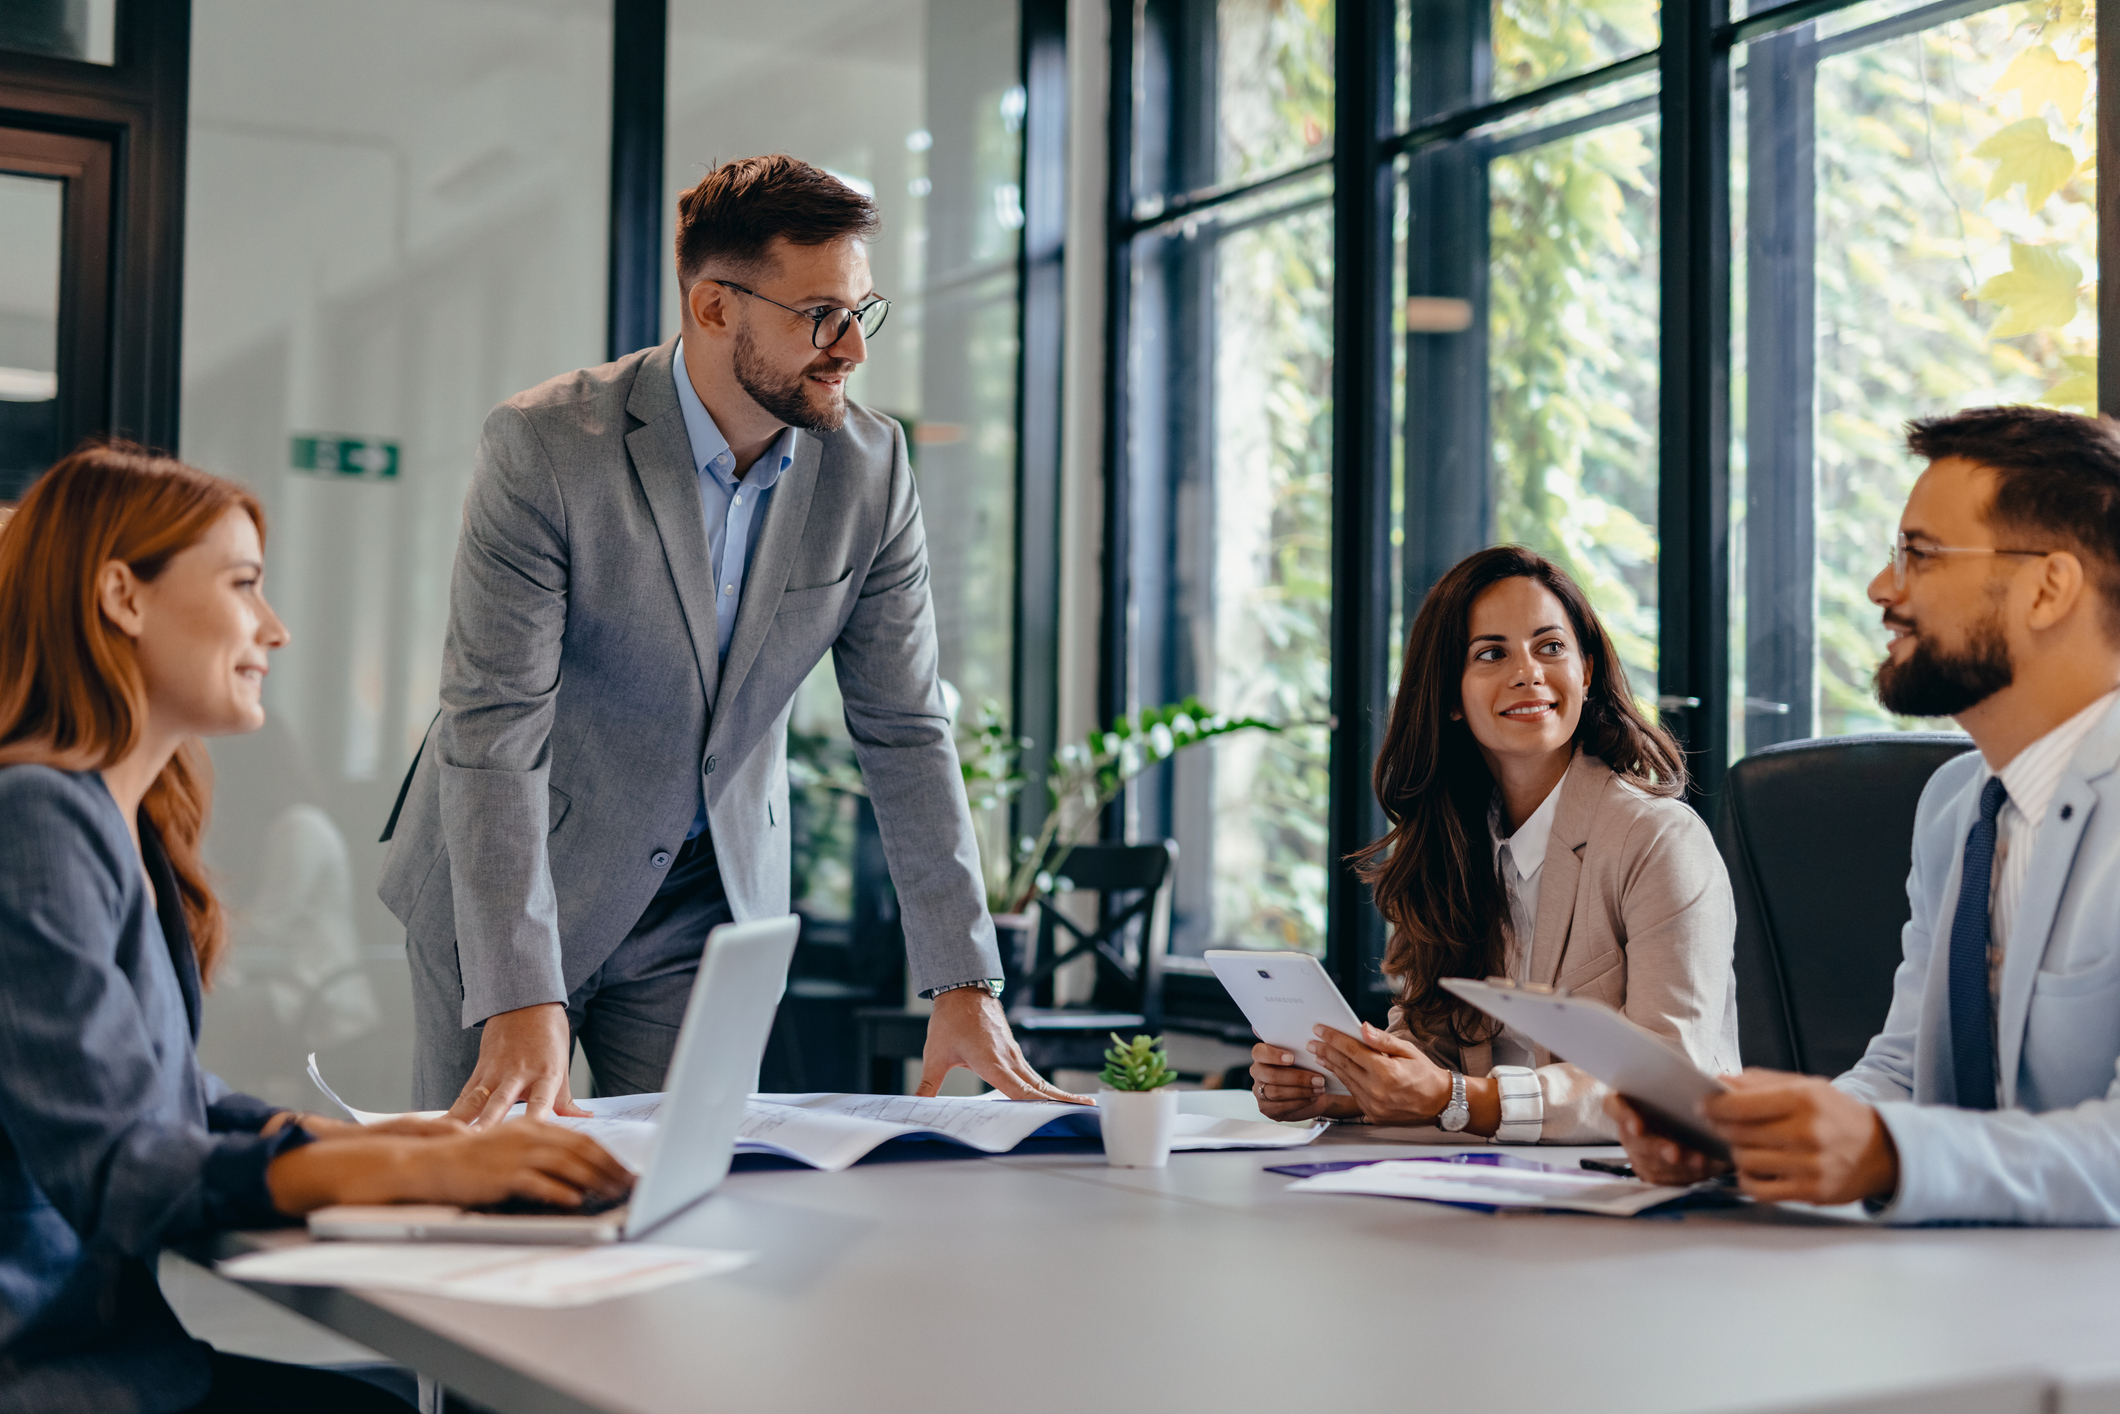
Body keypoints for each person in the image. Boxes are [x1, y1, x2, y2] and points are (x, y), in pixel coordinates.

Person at [380, 153, 1073, 1122]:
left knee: (690, 1192)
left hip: (705, 905)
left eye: (860, 312)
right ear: (713, 309)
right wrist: (517, 989)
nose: (851, 350)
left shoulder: (869, 470)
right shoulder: (544, 447)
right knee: (485, 1189)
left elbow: (906, 727)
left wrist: (963, 976)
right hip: (514, 874)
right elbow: (492, 729)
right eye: (820, 316)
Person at [0, 445, 632, 1413]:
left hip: (118, 1353)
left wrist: (389, 1144)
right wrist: (416, 1169)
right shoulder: (37, 817)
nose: (276, 628)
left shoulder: (118, 819)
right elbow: (127, 1169)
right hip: (60, 1375)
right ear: (122, 596)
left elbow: (158, 1094)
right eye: (244, 584)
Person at [1612, 406, 2120, 1224]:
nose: (1884, 589)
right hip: (1960, 1295)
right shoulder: (1959, 807)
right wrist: (1760, 1140)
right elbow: (1904, 1074)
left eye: (1919, 555)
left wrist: (1889, 1152)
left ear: (2048, 587)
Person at [1250, 546, 1740, 1140]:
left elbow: (1670, 1078)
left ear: (1586, 671)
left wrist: (1463, 1099)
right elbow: (1429, 1048)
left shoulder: (1659, 839)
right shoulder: (1447, 843)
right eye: (1491, 653)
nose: (1528, 671)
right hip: (1492, 1178)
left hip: (1643, 1181)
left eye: (1551, 647)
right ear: (1451, 697)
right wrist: (1344, 1084)